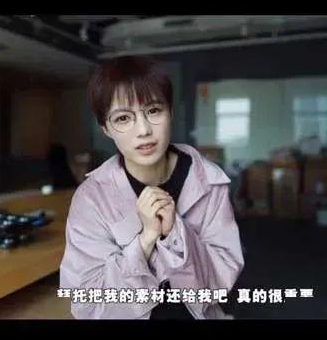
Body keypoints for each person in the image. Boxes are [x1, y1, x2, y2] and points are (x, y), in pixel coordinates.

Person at [59, 56, 244, 319]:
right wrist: (145, 241)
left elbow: (220, 283)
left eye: (154, 111)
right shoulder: (91, 198)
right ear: (106, 129)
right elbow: (87, 304)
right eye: (123, 118)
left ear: (170, 112)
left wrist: (174, 234)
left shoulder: (208, 182)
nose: (143, 130)